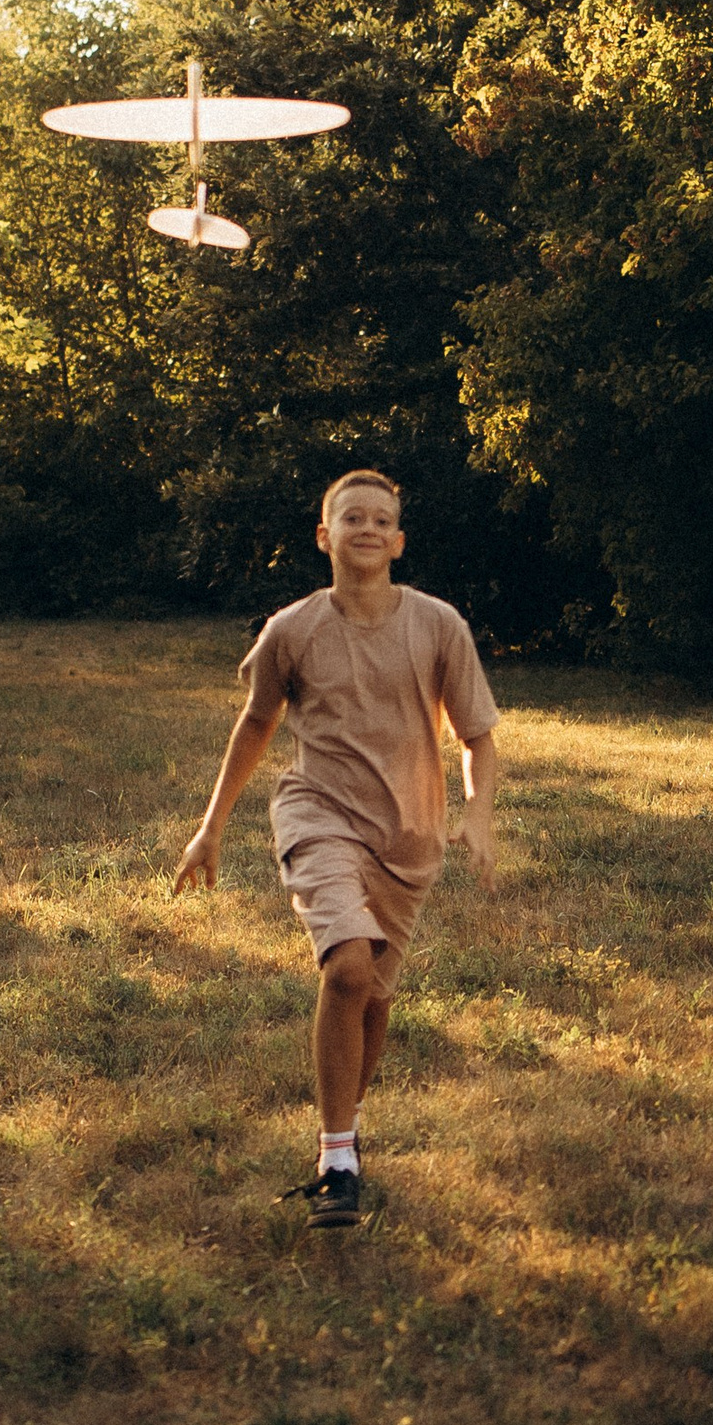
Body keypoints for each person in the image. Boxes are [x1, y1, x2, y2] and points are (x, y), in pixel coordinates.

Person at [173, 469, 499, 1227]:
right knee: (348, 965)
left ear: (398, 539)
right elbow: (256, 724)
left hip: (409, 834)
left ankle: (343, 1135)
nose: (368, 529)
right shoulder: (293, 627)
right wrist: (212, 823)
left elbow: (477, 733)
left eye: (382, 519)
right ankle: (338, 1157)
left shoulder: (437, 624)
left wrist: (479, 812)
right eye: (352, 517)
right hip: (318, 814)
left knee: (374, 998)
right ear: (325, 535)